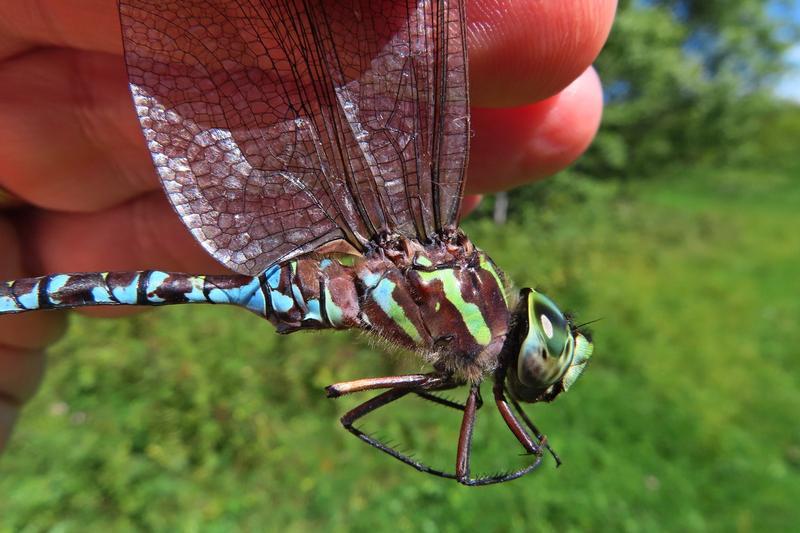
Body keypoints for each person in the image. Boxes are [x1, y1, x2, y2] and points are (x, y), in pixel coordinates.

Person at [0, 0, 616, 451]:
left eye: (541, 369)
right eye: (537, 366)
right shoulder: (445, 289)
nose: (527, 369)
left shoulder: (464, 333)